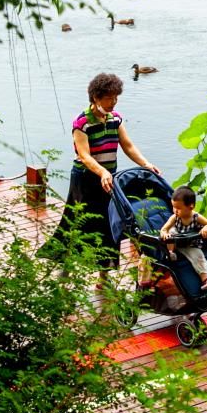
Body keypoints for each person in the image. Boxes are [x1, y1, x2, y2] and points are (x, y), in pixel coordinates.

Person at [40, 73, 161, 287]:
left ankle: (103, 278)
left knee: (109, 226)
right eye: (109, 98)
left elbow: (128, 146)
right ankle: (65, 271)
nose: (113, 102)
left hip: (109, 182)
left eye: (116, 97)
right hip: (85, 181)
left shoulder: (115, 119)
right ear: (96, 97)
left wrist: (146, 164)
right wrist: (103, 172)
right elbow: (84, 156)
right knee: (77, 225)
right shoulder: (82, 123)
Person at [159, 186, 207, 292]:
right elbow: (163, 229)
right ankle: (170, 253)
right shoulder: (174, 217)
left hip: (190, 245)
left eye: (178, 208)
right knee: (171, 231)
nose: (175, 210)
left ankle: (205, 280)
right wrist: (164, 234)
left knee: (199, 257)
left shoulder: (196, 217)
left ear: (191, 207)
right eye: (173, 207)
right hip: (176, 244)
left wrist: (206, 227)